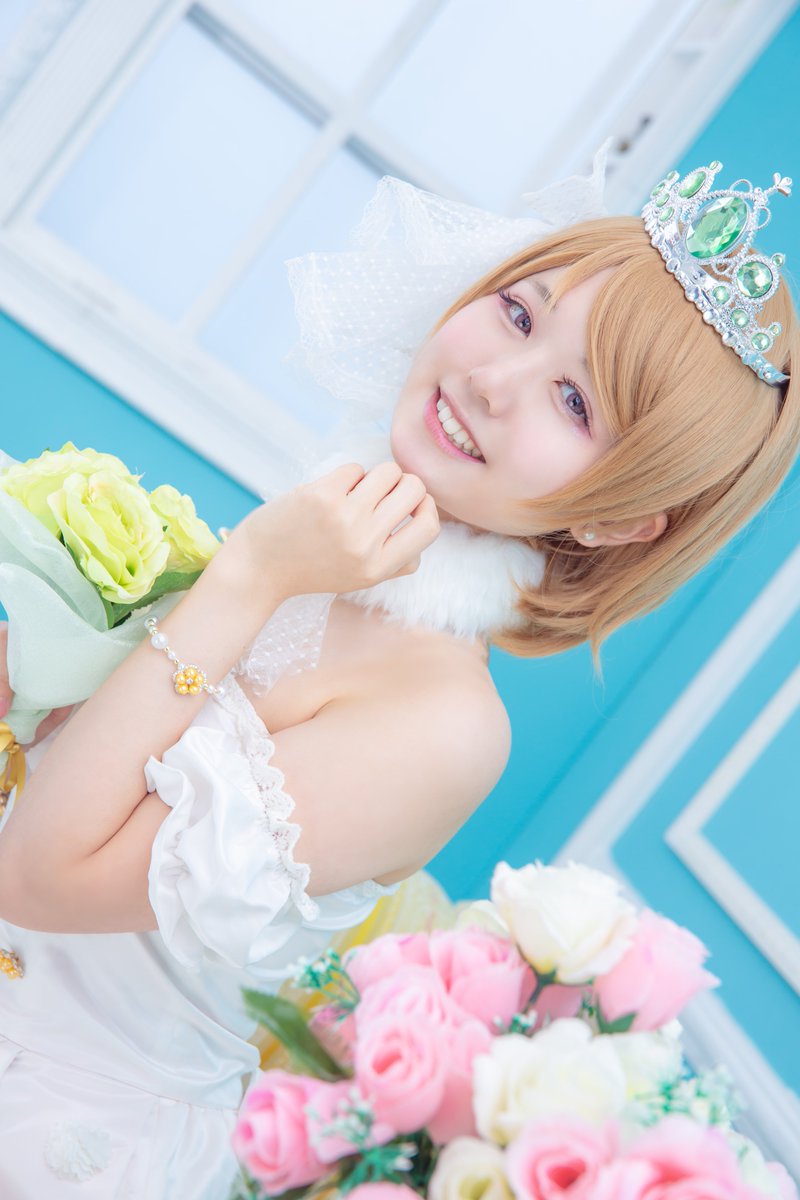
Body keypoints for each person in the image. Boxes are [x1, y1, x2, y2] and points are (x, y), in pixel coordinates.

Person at [0, 155, 797, 1198]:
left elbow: (36, 877)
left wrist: (248, 574)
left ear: (617, 519)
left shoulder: (445, 726)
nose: (491, 380)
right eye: (518, 312)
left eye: (572, 400)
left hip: (57, 1129)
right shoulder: (332, 545)